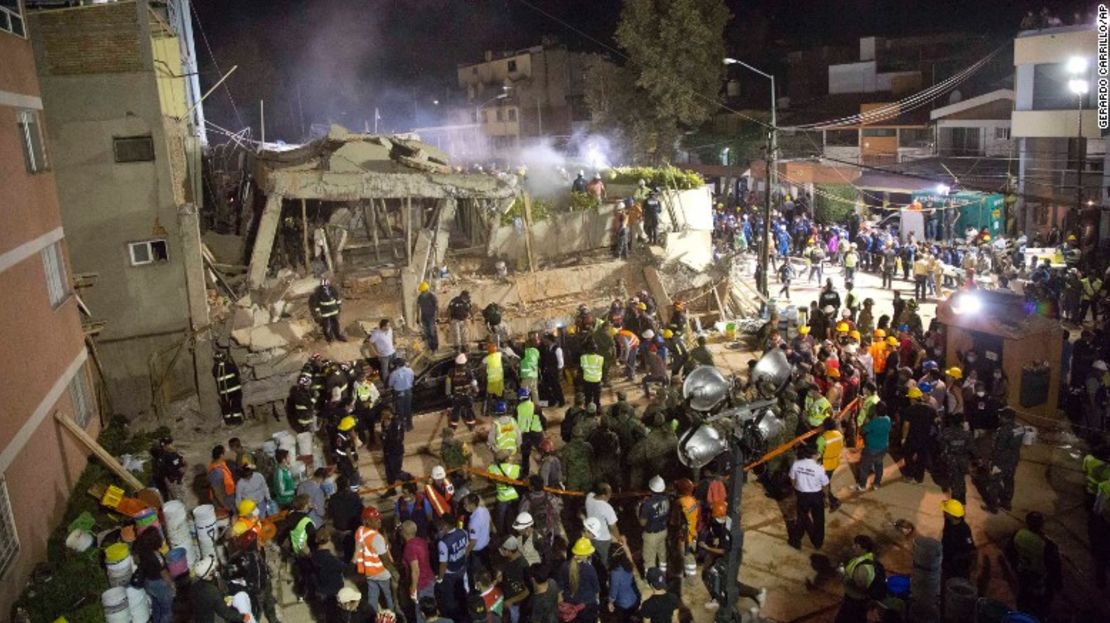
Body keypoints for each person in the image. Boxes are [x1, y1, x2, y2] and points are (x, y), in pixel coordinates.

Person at [1005, 512, 1062, 619]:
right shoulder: (1047, 544)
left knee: (1023, 596)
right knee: (1041, 603)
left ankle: (1022, 615)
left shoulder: (1019, 534)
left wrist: (1015, 565)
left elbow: (1009, 551)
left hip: (1023, 572)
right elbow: (1054, 566)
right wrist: (1058, 584)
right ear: (1041, 525)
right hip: (1040, 578)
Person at [353, 506, 396, 612]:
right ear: (367, 521)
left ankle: (372, 616)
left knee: (373, 596)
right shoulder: (377, 538)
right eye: (376, 519)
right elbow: (385, 559)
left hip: (368, 571)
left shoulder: (360, 531)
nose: (379, 520)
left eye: (379, 518)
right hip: (381, 572)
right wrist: (394, 573)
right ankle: (392, 616)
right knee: (389, 596)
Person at [834, 535, 882, 623]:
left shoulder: (863, 568)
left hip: (855, 600)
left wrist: (843, 575)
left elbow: (860, 586)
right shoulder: (865, 558)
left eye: (856, 546)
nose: (853, 547)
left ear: (864, 549)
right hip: (859, 600)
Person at [789, 444, 829, 550]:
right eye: (818, 453)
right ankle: (818, 542)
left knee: (802, 517)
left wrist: (797, 488)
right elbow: (825, 484)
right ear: (813, 455)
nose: (819, 454)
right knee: (819, 519)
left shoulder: (796, 464)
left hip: (801, 494)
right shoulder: (819, 468)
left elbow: (792, 479)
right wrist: (826, 497)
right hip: (816, 496)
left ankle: (797, 539)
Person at [134, 526, 175, 623]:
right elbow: (164, 574)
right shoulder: (156, 556)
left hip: (148, 582)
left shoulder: (142, 550)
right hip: (159, 584)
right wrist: (172, 585)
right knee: (167, 612)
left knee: (156, 606)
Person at [190, 555, 248, 623]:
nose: (216, 571)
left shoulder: (194, 586)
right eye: (214, 570)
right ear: (210, 574)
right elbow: (225, 613)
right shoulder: (212, 591)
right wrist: (242, 617)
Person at [436, 513, 470, 622]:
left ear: (445, 526)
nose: (440, 527)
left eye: (441, 524)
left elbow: (443, 563)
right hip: (462, 568)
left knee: (450, 600)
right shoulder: (463, 532)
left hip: (450, 574)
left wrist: (440, 578)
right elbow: (466, 550)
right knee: (463, 593)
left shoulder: (443, 542)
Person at [400, 519, 435, 623]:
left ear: (404, 532)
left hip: (421, 584)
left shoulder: (409, 547)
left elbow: (415, 570)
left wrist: (413, 587)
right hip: (429, 579)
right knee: (431, 610)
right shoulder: (421, 541)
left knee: (421, 613)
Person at [900, 386, 936, 484]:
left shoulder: (909, 410)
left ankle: (910, 475)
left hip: (912, 437)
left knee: (908, 456)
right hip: (925, 438)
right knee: (921, 458)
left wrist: (903, 438)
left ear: (912, 399)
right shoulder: (930, 409)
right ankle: (919, 478)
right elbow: (936, 422)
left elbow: (906, 425)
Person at [561, 538, 602, 623]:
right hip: (587, 606)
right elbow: (596, 589)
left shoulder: (564, 566)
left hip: (570, 604)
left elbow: (562, 585)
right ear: (586, 554)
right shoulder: (589, 569)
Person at [639, 475, 670, 575]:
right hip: (663, 531)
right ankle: (663, 575)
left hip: (651, 535)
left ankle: (651, 580)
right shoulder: (666, 499)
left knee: (649, 559)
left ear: (650, 488)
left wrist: (638, 510)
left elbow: (642, 523)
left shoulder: (647, 504)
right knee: (662, 555)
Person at [940, 499, 975, 584]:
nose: (943, 512)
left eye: (945, 511)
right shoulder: (948, 522)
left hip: (957, 567)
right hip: (946, 560)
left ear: (951, 515)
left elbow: (970, 550)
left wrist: (957, 560)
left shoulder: (964, 530)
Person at [487, 450, 521, 535]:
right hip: (514, 496)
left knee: (500, 519)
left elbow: (489, 480)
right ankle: (514, 532)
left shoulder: (492, 468)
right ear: (506, 459)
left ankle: (500, 534)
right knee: (513, 516)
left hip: (502, 497)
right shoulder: (515, 468)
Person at [585, 483, 620, 565]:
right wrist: (618, 539)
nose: (610, 495)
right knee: (602, 562)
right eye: (609, 493)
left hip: (591, 535)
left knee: (592, 558)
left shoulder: (589, 497)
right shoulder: (606, 507)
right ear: (603, 495)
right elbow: (613, 527)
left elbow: (591, 493)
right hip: (603, 540)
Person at [499, 536, 532, 623]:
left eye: (503, 549)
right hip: (507, 597)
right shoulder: (510, 559)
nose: (501, 551)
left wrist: (511, 601)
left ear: (509, 551)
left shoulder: (523, 566)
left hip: (516, 605)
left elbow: (528, 590)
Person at [816, 419, 844, 512]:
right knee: (826, 481)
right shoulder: (839, 434)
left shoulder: (822, 438)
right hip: (835, 462)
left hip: (825, 464)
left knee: (823, 484)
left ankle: (833, 501)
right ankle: (827, 500)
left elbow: (818, 452)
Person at [515, 388, 543, 477]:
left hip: (525, 435)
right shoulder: (536, 407)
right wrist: (544, 428)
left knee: (525, 455)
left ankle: (525, 473)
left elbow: (515, 422)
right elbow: (542, 419)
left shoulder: (518, 408)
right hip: (537, 433)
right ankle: (544, 470)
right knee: (542, 452)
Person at [465, 493, 494, 578]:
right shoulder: (484, 510)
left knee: (476, 571)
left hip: (477, 551)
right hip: (486, 543)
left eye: (466, 504)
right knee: (488, 563)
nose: (464, 506)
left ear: (472, 504)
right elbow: (489, 523)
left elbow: (473, 541)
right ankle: (492, 576)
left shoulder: (474, 521)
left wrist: (466, 552)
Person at [213, 351, 245, 426]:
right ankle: (237, 420)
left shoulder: (215, 369)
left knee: (226, 406)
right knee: (236, 404)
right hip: (235, 389)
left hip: (224, 392)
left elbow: (215, 375)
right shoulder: (230, 366)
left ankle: (228, 421)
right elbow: (237, 373)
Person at [151, 436, 186, 502]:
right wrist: (186, 466)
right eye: (169, 444)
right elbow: (181, 470)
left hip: (166, 482)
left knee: (170, 499)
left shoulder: (159, 455)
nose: (171, 445)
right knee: (178, 500)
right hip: (174, 481)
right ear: (165, 445)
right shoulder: (171, 455)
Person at [447, 353, 478, 429]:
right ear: (464, 363)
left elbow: (448, 384)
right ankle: (471, 427)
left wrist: (448, 394)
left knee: (455, 412)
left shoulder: (451, 372)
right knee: (469, 411)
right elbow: (474, 382)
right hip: (468, 395)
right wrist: (476, 391)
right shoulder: (468, 371)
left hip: (457, 396)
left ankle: (453, 428)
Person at [380, 407, 406, 497]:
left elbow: (397, 439)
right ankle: (391, 490)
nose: (382, 417)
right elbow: (383, 437)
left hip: (396, 452)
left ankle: (408, 484)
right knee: (389, 473)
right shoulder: (384, 423)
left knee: (397, 472)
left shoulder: (397, 423)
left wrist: (387, 430)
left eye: (384, 414)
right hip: (387, 452)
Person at [311, 277, 346, 342]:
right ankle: (329, 338)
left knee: (335, 323)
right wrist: (318, 312)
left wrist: (339, 306)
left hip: (333, 310)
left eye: (326, 285)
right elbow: (316, 302)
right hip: (325, 311)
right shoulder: (319, 292)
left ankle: (338, 335)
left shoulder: (332, 289)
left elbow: (337, 298)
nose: (325, 287)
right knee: (327, 325)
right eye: (324, 286)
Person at [208, 445, 237, 514]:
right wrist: (225, 504)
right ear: (221, 455)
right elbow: (218, 491)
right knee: (233, 514)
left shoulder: (220, 464)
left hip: (229, 494)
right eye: (225, 452)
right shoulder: (216, 471)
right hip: (226, 497)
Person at [389, 357, 415, 431]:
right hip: (408, 391)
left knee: (400, 410)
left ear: (397, 365)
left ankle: (402, 427)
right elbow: (412, 379)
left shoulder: (394, 373)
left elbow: (390, 383)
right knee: (408, 409)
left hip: (399, 393)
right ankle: (409, 425)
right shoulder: (410, 370)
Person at [580, 342, 605, 409]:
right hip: (597, 381)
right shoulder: (601, 358)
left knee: (588, 397)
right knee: (597, 397)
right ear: (596, 350)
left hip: (587, 380)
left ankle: (587, 410)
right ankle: (597, 410)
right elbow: (602, 368)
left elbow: (582, 368)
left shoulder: (583, 358)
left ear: (587, 349)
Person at [416, 281, 439, 353]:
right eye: (421, 291)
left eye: (423, 291)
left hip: (431, 317)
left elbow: (437, 307)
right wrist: (417, 317)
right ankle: (430, 347)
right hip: (424, 317)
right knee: (427, 333)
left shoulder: (432, 296)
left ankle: (435, 348)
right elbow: (418, 307)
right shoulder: (420, 297)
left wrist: (437, 317)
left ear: (426, 290)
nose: (422, 293)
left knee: (432, 333)